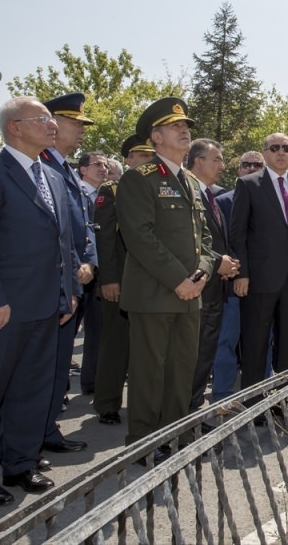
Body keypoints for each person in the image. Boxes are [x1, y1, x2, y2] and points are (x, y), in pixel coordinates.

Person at [0, 96, 80, 500]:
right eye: (41, 119)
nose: (51, 124)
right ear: (15, 127)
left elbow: (65, 243)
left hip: (47, 303)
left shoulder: (53, 177)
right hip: (7, 306)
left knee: (31, 388)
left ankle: (20, 464)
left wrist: (70, 292)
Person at [116, 97, 214, 447]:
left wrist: (202, 274)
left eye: (186, 126)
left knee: (182, 371)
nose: (184, 130)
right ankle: (143, 443)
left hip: (190, 295)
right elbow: (139, 237)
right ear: (155, 137)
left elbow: (204, 239)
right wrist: (178, 280)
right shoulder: (138, 178)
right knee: (149, 372)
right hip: (154, 293)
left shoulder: (190, 181)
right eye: (175, 126)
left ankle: (176, 436)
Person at [230, 133, 288, 395]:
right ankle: (253, 402)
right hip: (259, 277)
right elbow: (238, 233)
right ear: (265, 152)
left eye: (286, 148)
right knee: (255, 342)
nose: (281, 152)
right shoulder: (248, 184)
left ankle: (284, 401)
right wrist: (241, 273)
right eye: (275, 147)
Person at [39, 92, 97, 455]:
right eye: (75, 123)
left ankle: (45, 431)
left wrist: (88, 261)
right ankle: (28, 439)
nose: (81, 130)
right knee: (39, 368)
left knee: (58, 365)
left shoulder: (63, 168)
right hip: (47, 284)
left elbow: (83, 226)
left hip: (73, 280)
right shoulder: (42, 165)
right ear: (53, 123)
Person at [92, 135, 154, 425]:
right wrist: (109, 279)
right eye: (141, 155)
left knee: (147, 347)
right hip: (121, 280)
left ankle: (145, 404)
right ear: (128, 159)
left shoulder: (158, 188)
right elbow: (105, 238)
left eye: (150, 155)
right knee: (116, 343)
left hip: (153, 281)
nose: (147, 160)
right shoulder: (113, 190)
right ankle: (107, 403)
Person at [187, 139, 239, 411]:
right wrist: (219, 262)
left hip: (213, 289)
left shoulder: (210, 195)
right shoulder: (187, 192)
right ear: (198, 161)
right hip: (195, 288)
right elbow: (188, 240)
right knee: (192, 357)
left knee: (204, 355)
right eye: (216, 159)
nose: (222, 165)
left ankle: (192, 411)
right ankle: (183, 417)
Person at [210, 150, 264, 402]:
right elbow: (220, 242)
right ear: (238, 170)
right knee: (226, 340)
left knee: (263, 341)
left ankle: (262, 391)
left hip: (264, 285)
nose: (251, 168)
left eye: (257, 165)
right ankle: (222, 394)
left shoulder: (274, 201)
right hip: (232, 283)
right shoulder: (222, 201)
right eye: (246, 164)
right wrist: (237, 272)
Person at [77, 151, 110, 396]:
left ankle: (92, 381)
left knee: (97, 329)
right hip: (78, 272)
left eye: (105, 165)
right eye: (97, 164)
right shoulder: (76, 193)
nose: (103, 169)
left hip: (99, 274)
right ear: (83, 169)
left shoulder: (104, 196)